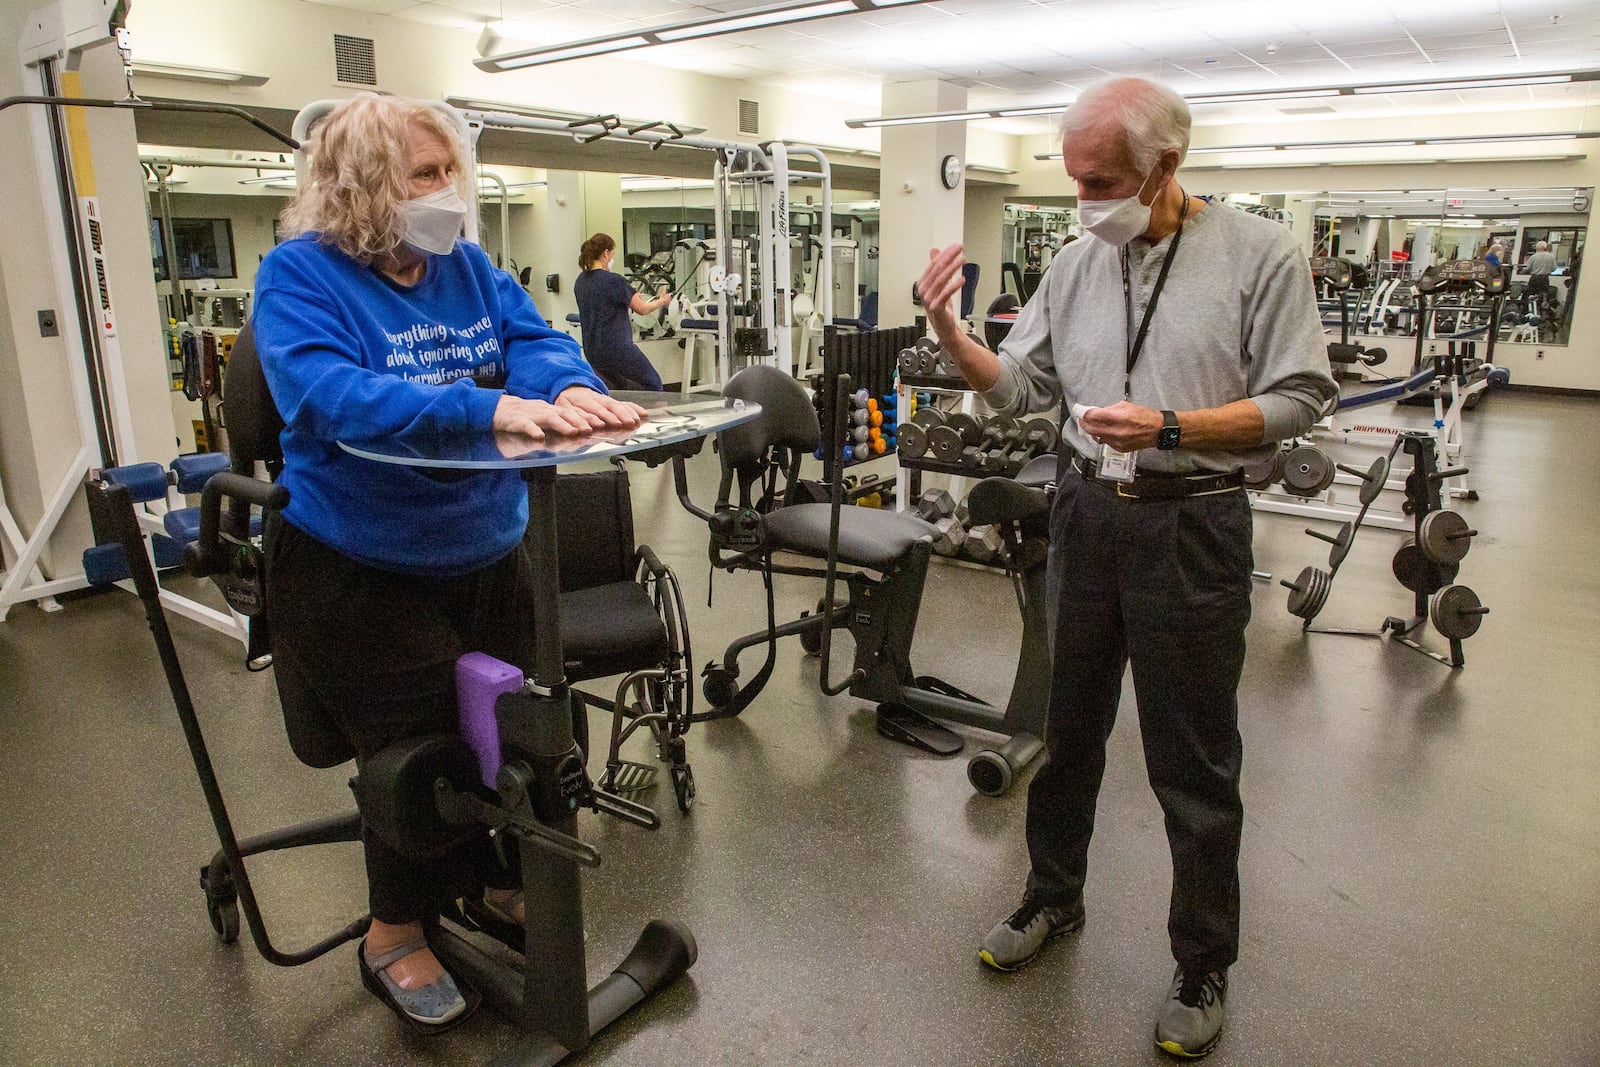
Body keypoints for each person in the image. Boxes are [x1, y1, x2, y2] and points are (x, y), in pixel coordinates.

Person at [916, 77, 1335, 1059]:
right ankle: (1051, 898)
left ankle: (1201, 959)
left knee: (1191, 762)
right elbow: (1021, 387)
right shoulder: (1073, 260)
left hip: (1191, 521)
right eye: (1072, 181)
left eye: (1100, 180)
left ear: (1166, 166)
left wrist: (1173, 424)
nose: (1083, 201)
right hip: (1084, 514)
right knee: (1066, 733)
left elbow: (1301, 396)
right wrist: (947, 329)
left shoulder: (1259, 255)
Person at [251, 93, 646, 1032]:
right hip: (358, 566)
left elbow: (532, 340)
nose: (446, 192)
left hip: (483, 551)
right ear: (363, 187)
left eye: (448, 172)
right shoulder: (298, 276)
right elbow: (329, 393)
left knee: (527, 728)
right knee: (426, 755)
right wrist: (485, 408)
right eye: (423, 175)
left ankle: (492, 882)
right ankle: (394, 930)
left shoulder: (464, 265)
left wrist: (572, 386)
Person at [573, 233, 671, 390]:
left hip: (593, 351)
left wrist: (627, 298)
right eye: (612, 254)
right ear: (606, 253)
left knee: (620, 387)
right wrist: (662, 301)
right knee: (653, 383)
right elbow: (643, 309)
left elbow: (602, 304)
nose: (612, 259)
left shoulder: (580, 281)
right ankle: (658, 414)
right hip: (617, 349)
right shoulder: (614, 281)